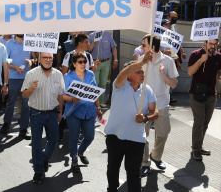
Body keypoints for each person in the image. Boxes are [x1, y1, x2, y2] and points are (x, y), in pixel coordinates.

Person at [104, 53, 159, 192]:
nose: (142, 74)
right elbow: (123, 73)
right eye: (138, 72)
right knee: (112, 170)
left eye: (143, 72)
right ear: (129, 75)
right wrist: (142, 61)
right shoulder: (120, 85)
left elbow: (155, 112)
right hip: (115, 137)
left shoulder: (147, 89)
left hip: (136, 139)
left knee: (134, 173)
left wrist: (145, 118)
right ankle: (112, 188)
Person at [21, 52, 64, 184]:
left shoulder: (58, 74)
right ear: (39, 59)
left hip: (52, 112)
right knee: (36, 144)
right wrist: (32, 89)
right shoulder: (31, 74)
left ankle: (44, 158)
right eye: (45, 57)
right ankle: (38, 171)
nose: (48, 60)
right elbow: (23, 94)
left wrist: (60, 112)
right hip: (36, 113)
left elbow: (60, 94)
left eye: (50, 58)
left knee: (54, 139)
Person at [138, 35, 178, 177]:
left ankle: (156, 156)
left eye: (144, 45)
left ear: (152, 47)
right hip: (144, 105)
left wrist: (163, 74)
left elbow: (173, 84)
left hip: (161, 104)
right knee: (143, 135)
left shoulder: (167, 61)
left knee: (163, 133)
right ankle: (145, 163)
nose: (141, 48)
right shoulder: (141, 60)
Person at [62, 52, 103, 173]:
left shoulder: (90, 74)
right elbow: (62, 95)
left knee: (90, 136)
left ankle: (80, 152)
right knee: (74, 137)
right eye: (80, 62)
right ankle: (74, 160)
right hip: (74, 111)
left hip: (89, 111)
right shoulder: (67, 77)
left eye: (85, 62)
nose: (83, 64)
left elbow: (94, 92)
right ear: (74, 64)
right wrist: (72, 99)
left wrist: (98, 108)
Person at [187, 38, 221, 160]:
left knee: (205, 123)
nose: (213, 46)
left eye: (215, 44)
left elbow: (219, 72)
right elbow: (190, 72)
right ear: (205, 43)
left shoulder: (218, 56)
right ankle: (196, 149)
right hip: (196, 94)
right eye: (210, 44)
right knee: (199, 122)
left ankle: (199, 146)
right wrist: (201, 61)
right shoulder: (195, 54)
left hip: (211, 94)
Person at [0, 34, 33, 139]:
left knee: (26, 104)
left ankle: (23, 129)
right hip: (13, 77)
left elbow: (36, 58)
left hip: (27, 78)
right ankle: (6, 124)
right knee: (11, 102)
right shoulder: (9, 43)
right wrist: (15, 67)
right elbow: (4, 62)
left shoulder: (29, 42)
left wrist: (31, 61)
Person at [88, 31, 118, 105]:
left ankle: (100, 102)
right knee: (95, 83)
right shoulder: (91, 36)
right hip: (95, 63)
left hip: (106, 62)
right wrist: (94, 43)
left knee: (103, 83)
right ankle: (93, 103)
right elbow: (88, 49)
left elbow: (114, 48)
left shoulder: (108, 34)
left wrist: (115, 59)